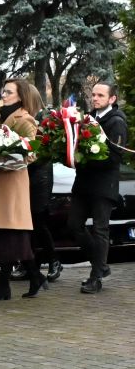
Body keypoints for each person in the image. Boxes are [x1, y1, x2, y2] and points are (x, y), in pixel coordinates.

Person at [0, 78, 44, 301]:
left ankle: (5, 285)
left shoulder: (25, 119)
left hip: (11, 186)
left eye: (8, 92)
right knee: (4, 235)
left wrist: (5, 157)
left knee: (10, 235)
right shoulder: (2, 117)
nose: (3, 95)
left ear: (20, 96)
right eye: (3, 91)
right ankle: (34, 276)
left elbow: (31, 153)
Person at [68, 81, 128, 293]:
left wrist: (84, 159)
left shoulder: (116, 122)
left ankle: (96, 277)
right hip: (83, 183)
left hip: (104, 184)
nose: (95, 98)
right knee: (74, 224)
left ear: (112, 99)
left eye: (100, 95)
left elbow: (113, 158)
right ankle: (101, 265)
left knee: (100, 228)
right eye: (93, 95)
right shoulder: (88, 118)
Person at [21, 84, 62, 284]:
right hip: (25, 174)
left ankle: (54, 260)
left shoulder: (44, 118)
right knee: (26, 223)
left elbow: (45, 151)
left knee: (38, 221)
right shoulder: (21, 116)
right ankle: (30, 263)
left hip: (40, 175)